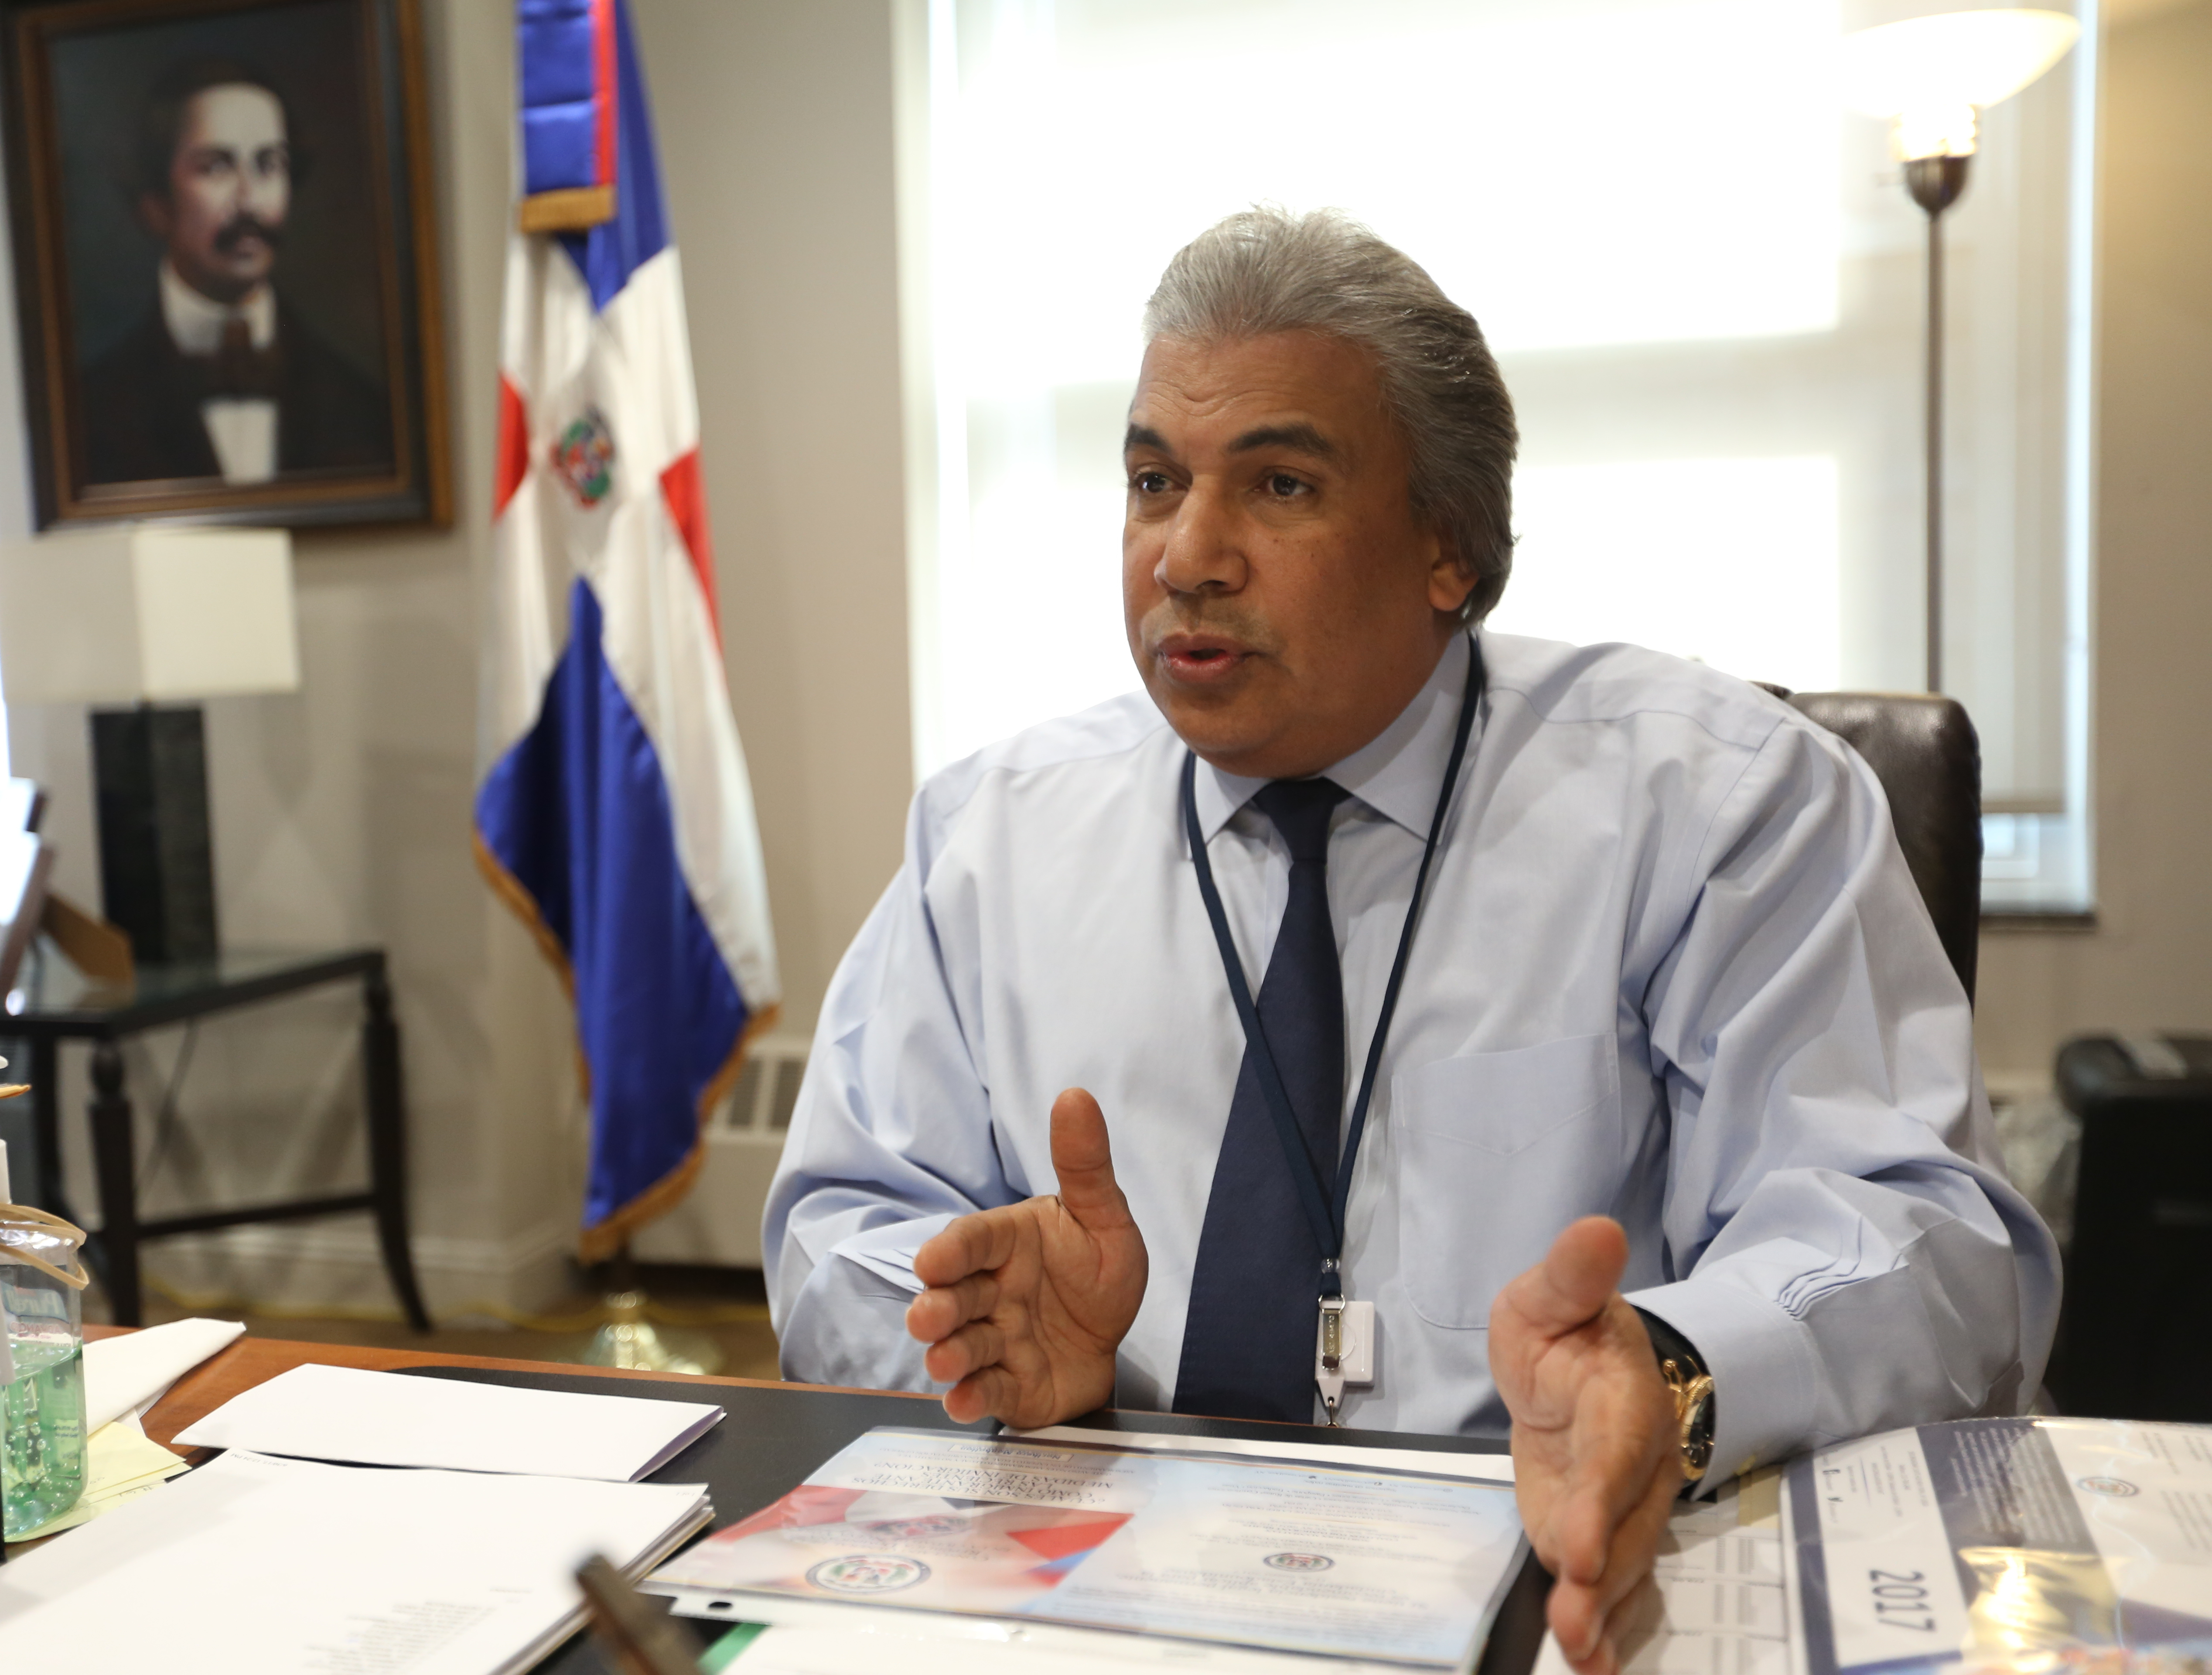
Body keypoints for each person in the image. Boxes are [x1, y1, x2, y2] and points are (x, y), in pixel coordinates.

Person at [762, 207, 2060, 1675]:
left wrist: (1676, 1369)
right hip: (1104, 1577)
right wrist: (987, 1344)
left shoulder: (1716, 801)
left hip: (1561, 1584)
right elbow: (832, 1229)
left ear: (1449, 545)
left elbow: (1922, 1235)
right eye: (1151, 481)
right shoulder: (991, 835)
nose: (1186, 557)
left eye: (1279, 483)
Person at [78, 58, 390, 488]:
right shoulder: (91, 409)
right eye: (216, 167)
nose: (248, 201)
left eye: (269, 165)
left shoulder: (358, 402)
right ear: (156, 204)